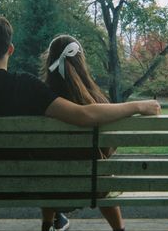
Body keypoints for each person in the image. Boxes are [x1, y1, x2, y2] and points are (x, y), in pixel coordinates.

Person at [0, 16, 161, 231]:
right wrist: (138, 106)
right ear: (10, 49)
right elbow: (83, 114)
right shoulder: (26, 87)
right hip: (20, 186)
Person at [40, 35, 124, 231]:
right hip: (93, 185)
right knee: (103, 170)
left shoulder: (41, 97)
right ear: (81, 61)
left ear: (49, 59)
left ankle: (47, 225)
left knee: (46, 165)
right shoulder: (95, 101)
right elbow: (110, 144)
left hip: (50, 187)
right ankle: (119, 229)